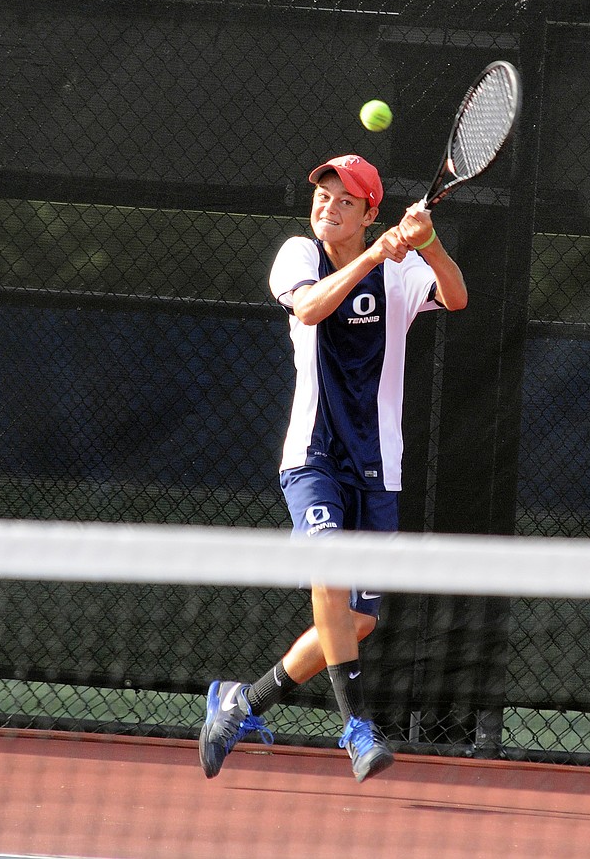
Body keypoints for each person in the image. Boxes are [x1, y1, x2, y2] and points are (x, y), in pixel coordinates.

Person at [199, 154, 467, 783]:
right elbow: (313, 309)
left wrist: (429, 244)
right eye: (322, 196)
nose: (328, 207)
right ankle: (356, 727)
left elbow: (456, 296)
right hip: (313, 456)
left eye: (345, 201)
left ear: (370, 213)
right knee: (328, 571)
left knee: (362, 618)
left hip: (378, 464)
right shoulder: (299, 254)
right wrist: (376, 257)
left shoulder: (402, 278)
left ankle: (243, 702)